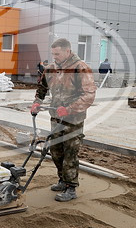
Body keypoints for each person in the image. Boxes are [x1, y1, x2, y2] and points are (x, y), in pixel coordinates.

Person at [30, 38, 96, 202]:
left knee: (70, 153)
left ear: (68, 51)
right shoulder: (50, 69)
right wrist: (37, 102)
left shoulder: (80, 68)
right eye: (53, 54)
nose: (54, 57)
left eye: (57, 54)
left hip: (73, 120)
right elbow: (42, 87)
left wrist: (69, 109)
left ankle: (71, 187)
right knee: (56, 151)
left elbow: (89, 95)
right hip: (56, 118)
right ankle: (62, 179)